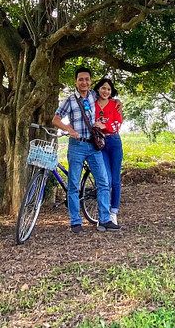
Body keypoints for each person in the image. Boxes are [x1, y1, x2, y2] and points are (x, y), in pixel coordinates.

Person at [52, 66, 120, 234]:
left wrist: (117, 101)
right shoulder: (69, 100)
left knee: (103, 182)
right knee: (74, 185)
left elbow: (107, 96)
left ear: (90, 82)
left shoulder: (93, 96)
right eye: (81, 79)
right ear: (75, 82)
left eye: (87, 79)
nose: (84, 82)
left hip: (94, 145)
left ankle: (104, 219)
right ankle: (75, 222)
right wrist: (68, 129)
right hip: (77, 146)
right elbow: (56, 119)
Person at [93, 78, 124, 225]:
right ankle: (103, 214)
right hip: (100, 144)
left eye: (109, 89)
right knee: (106, 180)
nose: (106, 91)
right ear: (98, 89)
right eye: (103, 88)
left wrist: (103, 125)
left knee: (116, 180)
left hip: (114, 142)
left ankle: (114, 212)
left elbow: (117, 124)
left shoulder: (114, 105)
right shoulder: (92, 104)